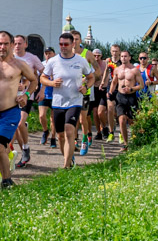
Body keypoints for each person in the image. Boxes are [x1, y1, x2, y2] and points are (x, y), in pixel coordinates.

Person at [0, 31, 38, 189]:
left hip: (10, 111)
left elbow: (33, 80)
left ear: (11, 45)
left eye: (5, 44)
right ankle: (7, 168)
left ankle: (7, 181)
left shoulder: (19, 65)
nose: (2, 47)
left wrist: (26, 95)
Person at [40, 32, 92, 169]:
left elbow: (91, 77)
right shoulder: (53, 61)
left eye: (66, 44)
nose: (63, 47)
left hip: (74, 101)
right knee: (60, 136)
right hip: (58, 102)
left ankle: (66, 166)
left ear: (72, 44)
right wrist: (51, 83)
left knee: (69, 130)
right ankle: (68, 158)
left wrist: (86, 87)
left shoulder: (81, 60)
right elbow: (42, 78)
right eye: (61, 44)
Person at [12, 34, 43, 166]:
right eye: (15, 43)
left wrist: (41, 90)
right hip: (10, 96)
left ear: (25, 44)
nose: (17, 46)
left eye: (20, 43)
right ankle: (18, 149)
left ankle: (24, 149)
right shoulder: (9, 57)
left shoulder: (32, 58)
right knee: (16, 126)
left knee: (19, 124)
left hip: (26, 96)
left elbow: (44, 73)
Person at [111, 49, 142, 147]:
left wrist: (131, 88)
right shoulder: (117, 69)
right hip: (120, 97)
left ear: (129, 57)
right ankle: (125, 144)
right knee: (121, 120)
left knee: (132, 122)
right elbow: (114, 82)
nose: (123, 58)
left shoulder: (134, 70)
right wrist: (110, 92)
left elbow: (141, 85)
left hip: (131, 97)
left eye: (125, 56)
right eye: (122, 56)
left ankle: (136, 141)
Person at [87, 48, 111, 141]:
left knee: (100, 112)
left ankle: (104, 127)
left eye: (98, 55)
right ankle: (98, 132)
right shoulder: (90, 64)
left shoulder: (105, 64)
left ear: (101, 56)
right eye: (95, 55)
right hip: (93, 89)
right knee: (95, 112)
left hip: (103, 89)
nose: (96, 57)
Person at [39, 45, 57, 147]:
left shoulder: (58, 64)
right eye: (46, 53)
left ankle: (53, 138)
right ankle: (46, 131)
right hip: (44, 93)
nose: (48, 55)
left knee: (53, 119)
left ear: (54, 54)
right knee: (41, 116)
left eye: (50, 53)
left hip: (55, 94)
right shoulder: (42, 65)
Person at [105, 44, 122, 142]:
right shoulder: (108, 61)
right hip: (110, 87)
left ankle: (121, 133)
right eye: (113, 51)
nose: (115, 53)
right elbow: (106, 72)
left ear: (119, 52)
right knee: (110, 109)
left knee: (120, 112)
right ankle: (111, 133)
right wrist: (103, 82)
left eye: (116, 51)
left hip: (120, 88)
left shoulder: (122, 62)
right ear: (111, 52)